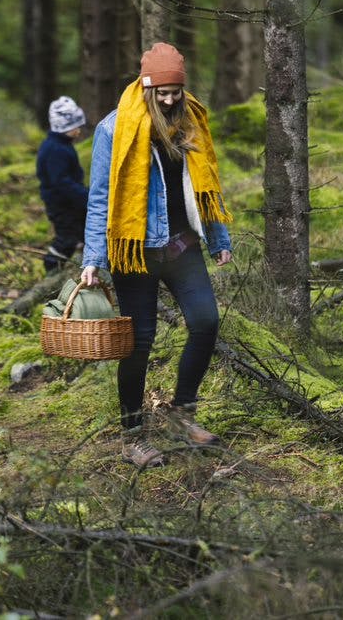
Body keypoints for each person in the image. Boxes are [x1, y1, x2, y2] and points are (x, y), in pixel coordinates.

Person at [81, 42, 233, 467]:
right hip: (135, 253)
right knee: (139, 343)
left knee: (205, 321)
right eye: (161, 93)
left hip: (182, 246)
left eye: (175, 92)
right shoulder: (114, 129)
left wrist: (218, 239)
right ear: (146, 87)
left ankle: (183, 414)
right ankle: (133, 437)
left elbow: (207, 187)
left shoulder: (191, 123)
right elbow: (100, 199)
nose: (169, 100)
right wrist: (92, 258)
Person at [36, 96, 89, 274]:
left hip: (72, 202)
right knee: (67, 238)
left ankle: (88, 268)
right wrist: (84, 195)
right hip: (62, 204)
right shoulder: (55, 149)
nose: (79, 130)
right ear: (63, 127)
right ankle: (51, 267)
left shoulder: (63, 144)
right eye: (75, 126)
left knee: (85, 232)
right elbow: (61, 182)